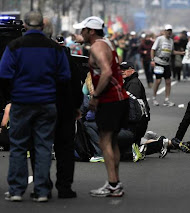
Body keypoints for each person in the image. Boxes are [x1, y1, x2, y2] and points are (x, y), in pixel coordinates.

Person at [0, 11, 71, 202]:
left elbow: (4, 74)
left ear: (25, 27)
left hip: (21, 102)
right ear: (42, 27)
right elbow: (64, 77)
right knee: (43, 147)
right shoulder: (54, 48)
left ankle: (15, 190)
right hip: (47, 102)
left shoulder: (14, 46)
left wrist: (13, 94)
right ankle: (42, 191)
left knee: (18, 146)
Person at [73, 16, 129, 197]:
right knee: (111, 142)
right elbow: (115, 64)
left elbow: (106, 71)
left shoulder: (97, 47)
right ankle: (115, 182)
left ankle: (113, 184)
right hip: (120, 99)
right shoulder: (107, 43)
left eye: (83, 29)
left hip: (109, 101)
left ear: (91, 31)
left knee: (104, 141)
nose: (81, 32)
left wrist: (95, 96)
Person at [54, 35, 83, 198]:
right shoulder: (65, 57)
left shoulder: (20, 48)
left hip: (41, 104)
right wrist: (77, 105)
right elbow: (75, 81)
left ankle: (41, 187)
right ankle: (64, 187)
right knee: (65, 148)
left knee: (40, 147)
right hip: (65, 108)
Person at [151, 24, 184, 107]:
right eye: (167, 30)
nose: (169, 32)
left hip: (166, 63)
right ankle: (154, 98)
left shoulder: (171, 41)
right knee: (158, 81)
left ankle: (167, 100)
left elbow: (172, 52)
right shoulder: (159, 39)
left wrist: (181, 53)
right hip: (158, 61)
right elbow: (153, 49)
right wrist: (152, 60)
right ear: (164, 31)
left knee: (168, 81)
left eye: (170, 31)